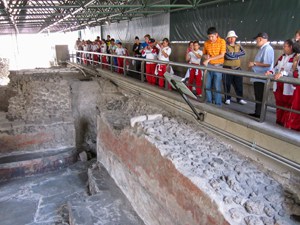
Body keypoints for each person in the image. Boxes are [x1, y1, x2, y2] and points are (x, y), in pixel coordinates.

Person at [265, 39, 297, 126]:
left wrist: (282, 73)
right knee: (279, 104)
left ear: (291, 47)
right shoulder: (282, 57)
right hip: (278, 85)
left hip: (288, 86)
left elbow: (293, 72)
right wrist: (271, 72)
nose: (283, 48)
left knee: (287, 105)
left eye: (285, 46)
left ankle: (285, 123)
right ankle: (278, 121)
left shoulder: (296, 58)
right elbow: (275, 67)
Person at [248, 32, 274, 118]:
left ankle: (260, 114)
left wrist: (254, 63)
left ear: (260, 39)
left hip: (262, 77)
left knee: (260, 96)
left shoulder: (267, 49)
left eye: (256, 40)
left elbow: (267, 64)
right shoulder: (263, 48)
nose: (256, 42)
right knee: (258, 96)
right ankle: (257, 112)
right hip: (258, 76)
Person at [202, 27, 226, 105]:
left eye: (212, 36)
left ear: (216, 34)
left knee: (216, 85)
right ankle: (209, 101)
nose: (210, 38)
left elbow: (222, 55)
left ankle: (218, 103)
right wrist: (206, 57)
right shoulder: (206, 43)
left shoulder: (222, 41)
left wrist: (209, 59)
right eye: (209, 37)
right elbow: (204, 54)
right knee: (207, 85)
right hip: (209, 66)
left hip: (218, 66)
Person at [223, 30, 247, 105]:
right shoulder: (225, 46)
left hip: (237, 68)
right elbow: (227, 56)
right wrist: (237, 55)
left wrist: (233, 55)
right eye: (230, 38)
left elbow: (244, 53)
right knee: (227, 84)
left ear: (235, 38)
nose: (231, 39)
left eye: (233, 37)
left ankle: (239, 99)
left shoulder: (239, 45)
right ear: (227, 38)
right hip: (227, 68)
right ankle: (227, 98)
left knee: (239, 84)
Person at [285, 57, 300, 131]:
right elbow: (294, 72)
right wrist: (295, 62)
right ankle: (293, 126)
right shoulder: (297, 58)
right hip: (298, 86)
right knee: (295, 107)